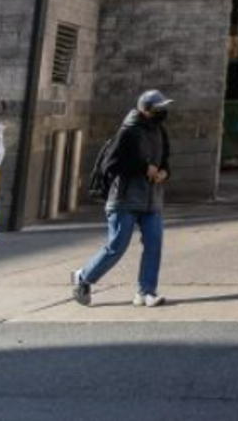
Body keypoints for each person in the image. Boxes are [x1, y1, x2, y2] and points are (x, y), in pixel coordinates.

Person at [72, 90, 172, 308]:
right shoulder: (128, 132)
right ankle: (84, 277)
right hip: (124, 199)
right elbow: (112, 165)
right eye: (158, 109)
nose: (163, 112)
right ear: (144, 110)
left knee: (154, 244)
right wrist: (144, 168)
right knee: (117, 246)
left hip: (151, 199)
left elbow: (165, 161)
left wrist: (163, 172)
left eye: (163, 108)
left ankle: (146, 292)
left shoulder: (160, 131)